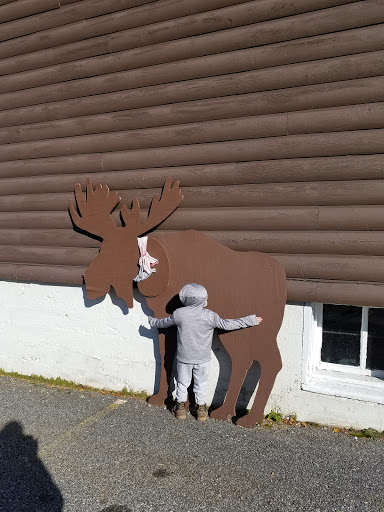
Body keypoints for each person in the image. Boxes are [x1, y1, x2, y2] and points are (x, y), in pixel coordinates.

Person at [148, 283, 262, 422]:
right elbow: (228, 324)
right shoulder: (210, 316)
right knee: (201, 384)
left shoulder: (179, 314)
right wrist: (250, 320)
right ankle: (201, 411)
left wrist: (152, 321)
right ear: (204, 299)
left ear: (185, 298)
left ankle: (180, 409)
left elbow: (163, 323)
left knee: (182, 383)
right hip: (203, 359)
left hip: (184, 358)